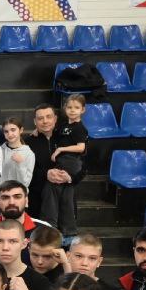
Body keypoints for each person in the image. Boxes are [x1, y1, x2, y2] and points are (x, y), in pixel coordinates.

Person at [41, 94, 88, 236]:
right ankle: (63, 229)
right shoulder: (64, 126)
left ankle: (56, 228)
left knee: (54, 187)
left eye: (76, 108)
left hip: (71, 161)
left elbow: (81, 147)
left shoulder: (80, 128)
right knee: (63, 194)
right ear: (65, 108)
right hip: (63, 161)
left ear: (83, 110)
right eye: (69, 107)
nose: (72, 110)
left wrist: (61, 149)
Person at [0, 180, 52, 260]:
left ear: (26, 201)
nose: (11, 202)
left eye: (17, 197)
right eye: (5, 198)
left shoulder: (46, 230)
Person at [26, 104, 58, 219]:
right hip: (37, 199)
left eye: (49, 117)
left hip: (64, 196)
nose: (45, 121)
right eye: (40, 118)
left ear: (55, 119)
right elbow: (25, 171)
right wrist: (46, 174)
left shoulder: (66, 139)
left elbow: (81, 167)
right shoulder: (27, 142)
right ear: (35, 122)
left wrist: (70, 177)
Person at [0, 117, 34, 189]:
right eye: (6, 131)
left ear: (21, 130)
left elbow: (25, 183)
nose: (10, 134)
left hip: (18, 193)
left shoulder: (29, 154)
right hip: (1, 193)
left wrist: (21, 164)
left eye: (13, 130)